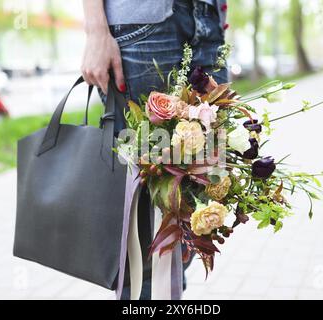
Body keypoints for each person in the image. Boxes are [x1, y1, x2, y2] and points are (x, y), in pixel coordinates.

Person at [81, 0, 228, 300]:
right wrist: (95, 29)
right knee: (144, 238)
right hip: (145, 25)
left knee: (189, 222)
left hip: (208, 24)